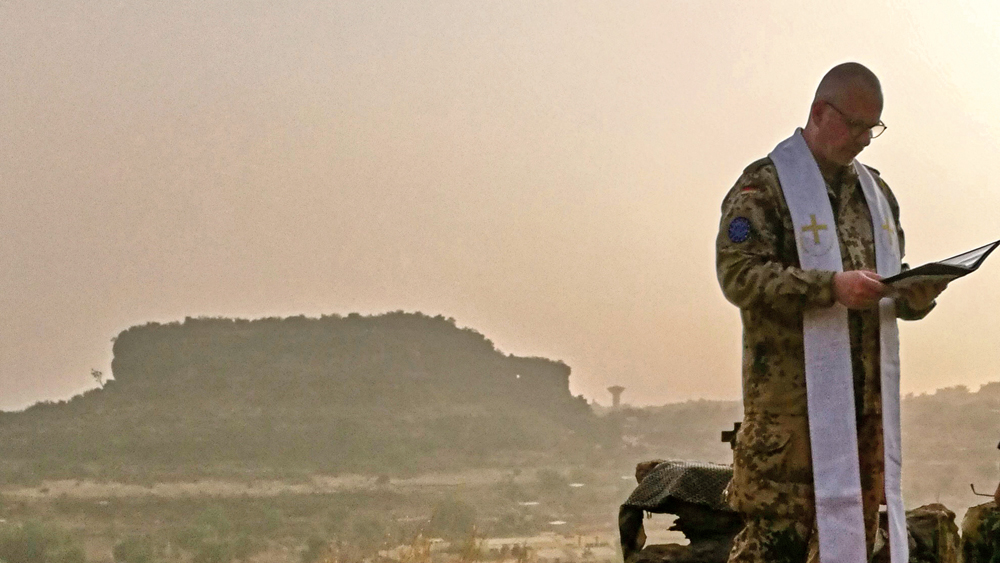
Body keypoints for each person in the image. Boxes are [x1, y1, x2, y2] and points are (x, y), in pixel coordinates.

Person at [715, 62, 948, 563]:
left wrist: (911, 293)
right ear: (820, 112)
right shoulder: (766, 187)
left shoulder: (876, 195)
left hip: (863, 426)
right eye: (856, 125)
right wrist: (829, 288)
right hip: (789, 430)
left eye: (874, 128)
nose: (865, 140)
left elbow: (883, 280)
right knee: (775, 550)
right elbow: (739, 275)